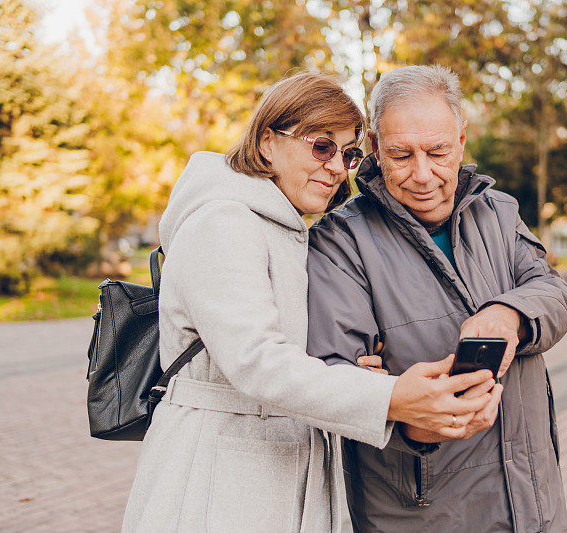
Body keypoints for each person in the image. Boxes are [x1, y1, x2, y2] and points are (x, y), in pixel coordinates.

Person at [121, 72, 500, 533]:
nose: (337, 166)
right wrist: (390, 396)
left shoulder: (286, 226)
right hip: (216, 481)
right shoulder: (223, 222)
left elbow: (296, 355)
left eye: (349, 153)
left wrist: (351, 370)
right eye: (321, 146)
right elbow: (257, 361)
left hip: (277, 476)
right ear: (266, 143)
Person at [307, 65, 567, 532]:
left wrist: (510, 312)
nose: (423, 174)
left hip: (534, 503)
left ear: (462, 139)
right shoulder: (338, 241)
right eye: (400, 154)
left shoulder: (500, 211)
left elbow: (553, 291)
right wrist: (409, 419)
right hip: (422, 512)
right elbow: (337, 383)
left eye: (438, 151)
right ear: (374, 147)